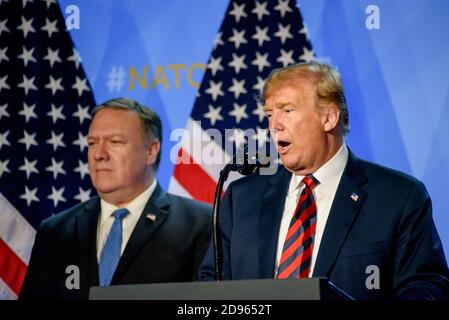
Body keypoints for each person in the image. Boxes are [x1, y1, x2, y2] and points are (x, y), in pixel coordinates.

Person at [198, 62, 449, 299]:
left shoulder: (399, 197)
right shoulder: (241, 197)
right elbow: (212, 283)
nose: (274, 125)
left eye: (287, 110)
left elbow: (425, 286)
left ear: (329, 118)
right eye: (269, 114)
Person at [20, 98, 212, 300]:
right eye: (92, 143)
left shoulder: (201, 224)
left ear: (151, 151)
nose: (99, 154)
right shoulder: (55, 232)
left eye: (115, 142)